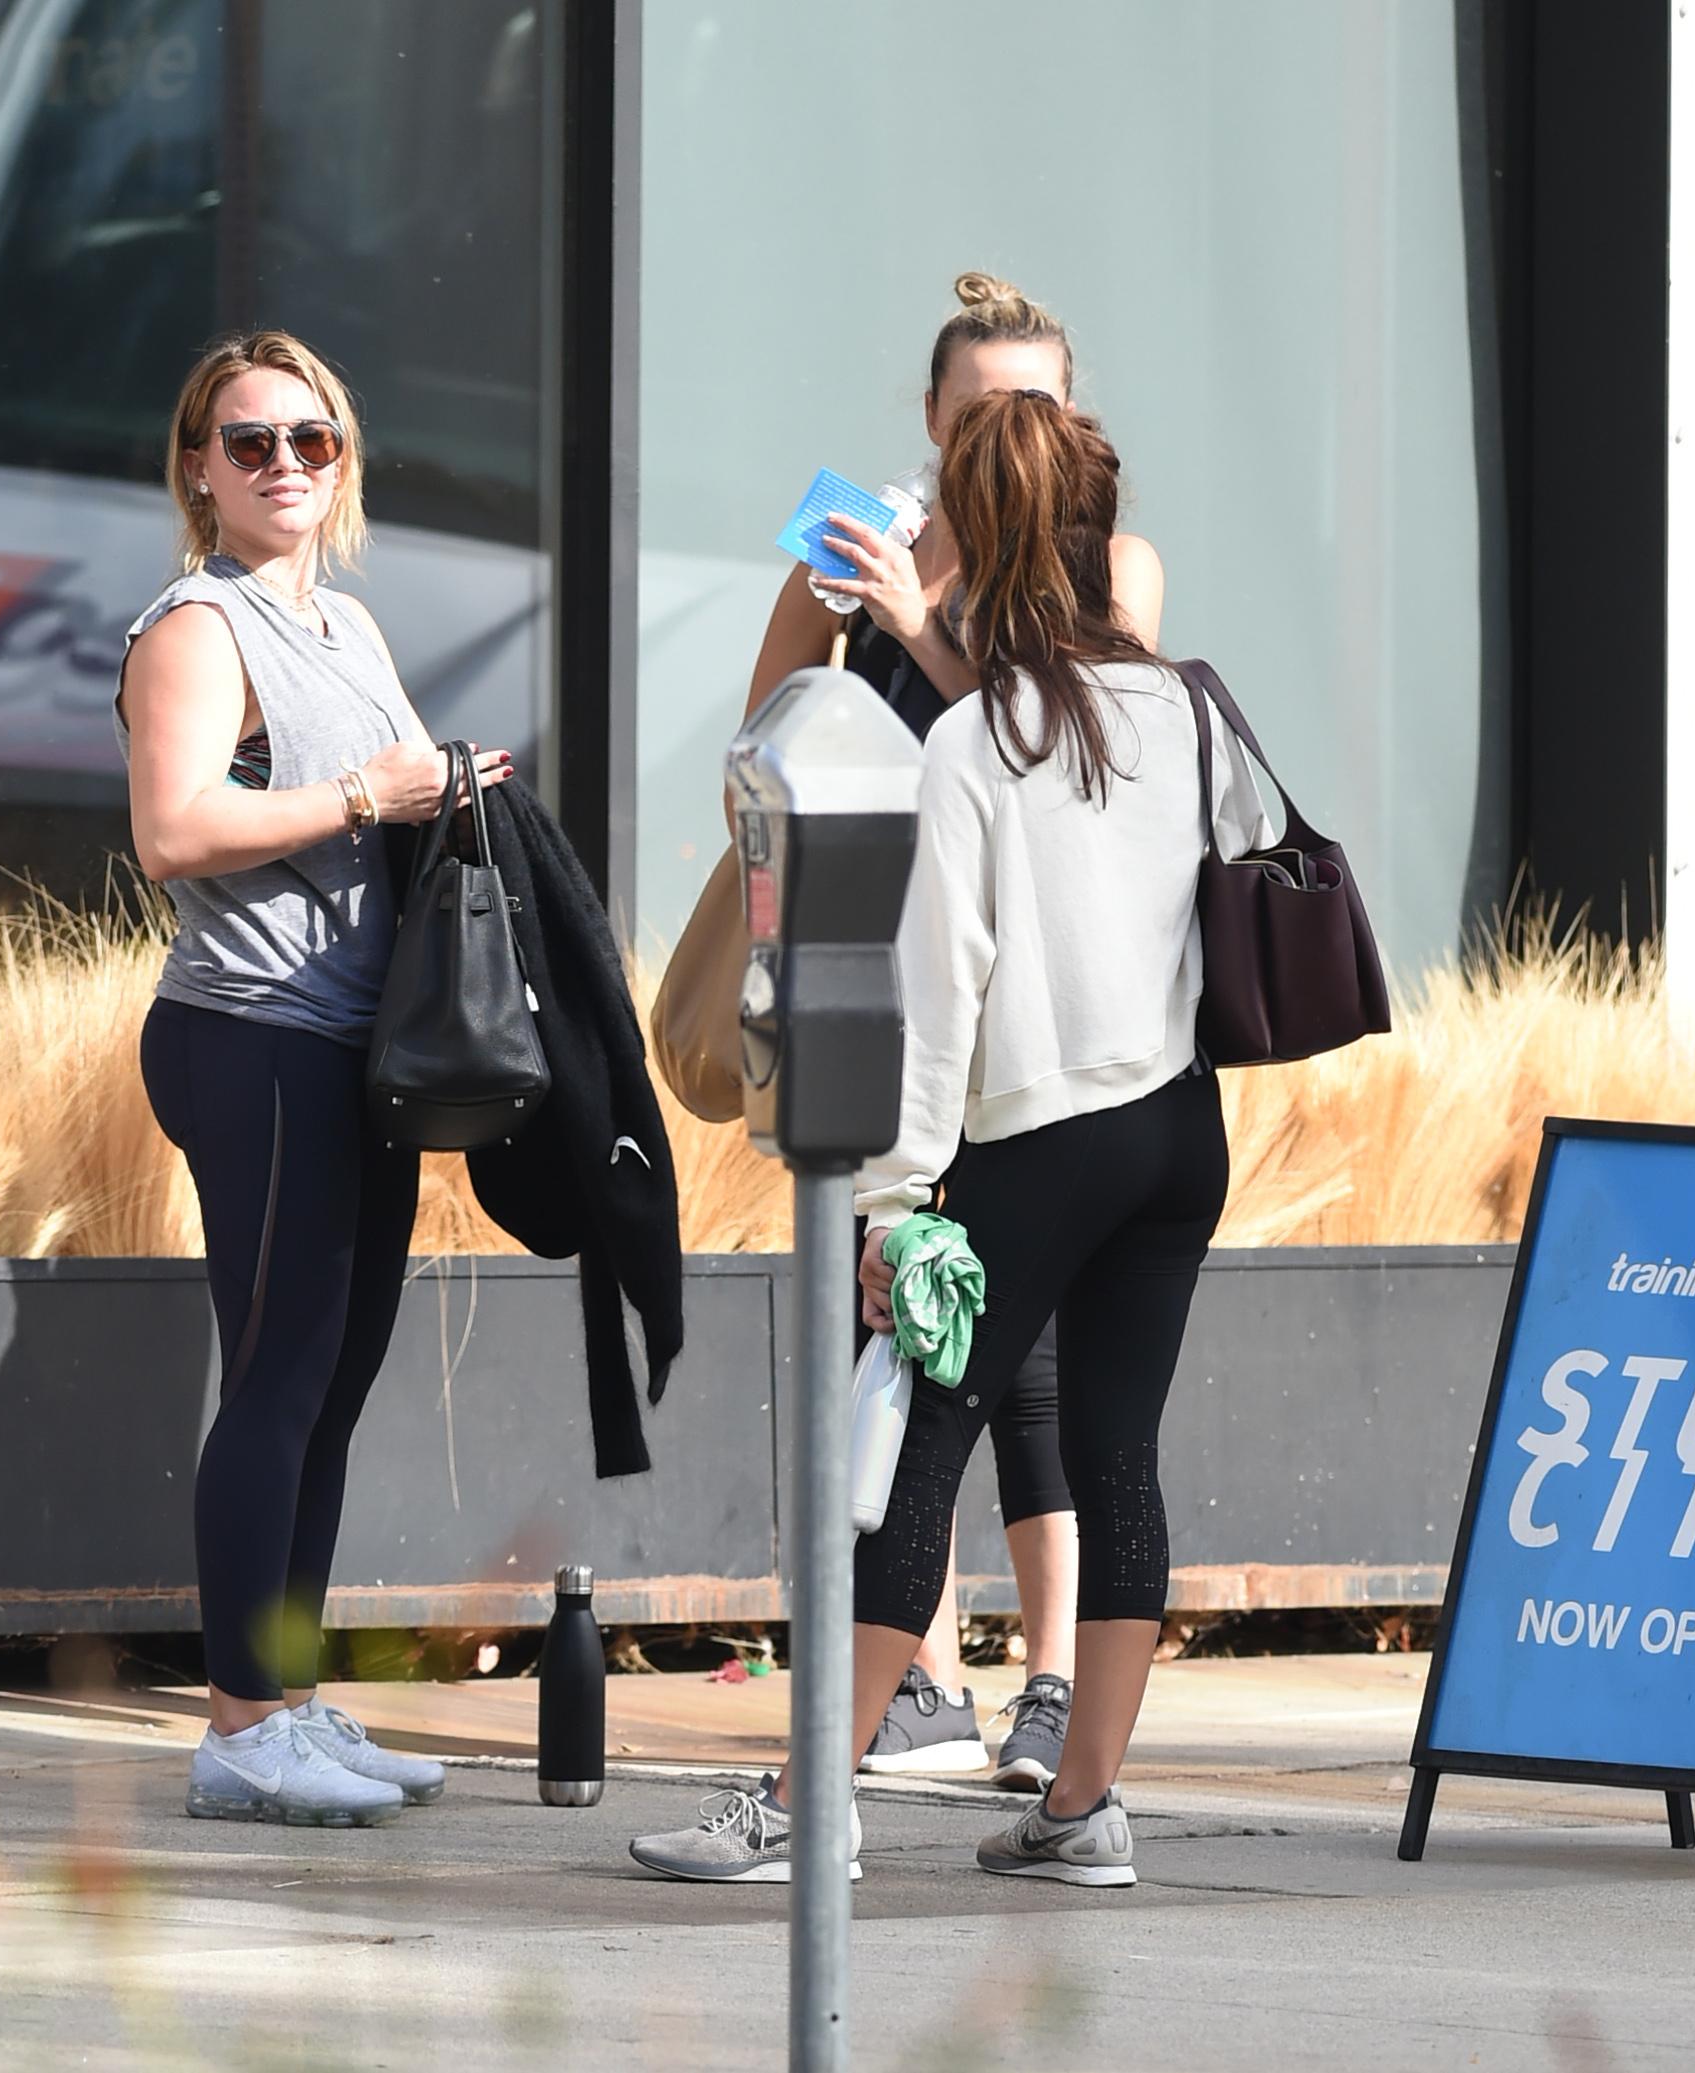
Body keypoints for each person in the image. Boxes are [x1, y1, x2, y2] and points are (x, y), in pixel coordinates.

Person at [632, 388, 1266, 1884]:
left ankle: (808, 1804)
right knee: (1118, 1459)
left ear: (980, 540)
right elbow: (1236, 877)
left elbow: (943, 986)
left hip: (1034, 1141)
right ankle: (1083, 1808)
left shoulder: (977, 740)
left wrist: (895, 1204)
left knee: (908, 1460)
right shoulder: (1191, 709)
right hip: (1179, 1134)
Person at [741, 274, 1166, 1790]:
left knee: (1036, 1370)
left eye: (1033, 407)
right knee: (889, 1336)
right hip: (890, 987)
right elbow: (764, 746)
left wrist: (924, 632)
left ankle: (1046, 1691)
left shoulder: (1107, 567)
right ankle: (914, 1684)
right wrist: (834, 619)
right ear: (928, 419)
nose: (1004, 434)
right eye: (978, 409)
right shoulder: (858, 548)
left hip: (1045, 1012)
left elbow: (1076, 751)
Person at [117, 329, 508, 1827]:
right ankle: (235, 1728)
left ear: (343, 461)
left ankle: (284, 1698)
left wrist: (447, 792)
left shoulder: (342, 622)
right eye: (250, 441)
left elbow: (394, 796)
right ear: (199, 470)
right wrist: (365, 792)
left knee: (330, 1388)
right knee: (278, 1380)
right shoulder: (197, 626)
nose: (285, 463)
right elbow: (172, 829)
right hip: (256, 1034)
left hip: (355, 1043)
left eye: (312, 438)